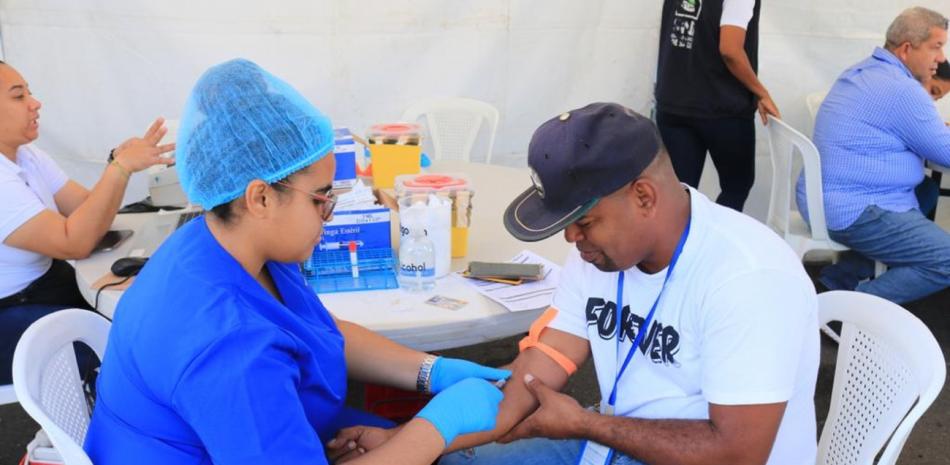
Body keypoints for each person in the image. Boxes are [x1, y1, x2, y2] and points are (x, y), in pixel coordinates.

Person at [329, 103, 819, 465]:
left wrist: (586, 423)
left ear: (643, 196)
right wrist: (411, 441)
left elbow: (736, 453)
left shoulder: (747, 277)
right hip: (614, 441)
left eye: (583, 220)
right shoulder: (600, 256)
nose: (570, 238)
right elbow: (532, 375)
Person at [83, 59, 509, 465]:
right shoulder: (227, 348)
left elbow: (316, 332)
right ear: (261, 197)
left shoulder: (228, 242)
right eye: (322, 199)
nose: (331, 215)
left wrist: (431, 371)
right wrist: (436, 427)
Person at [0, 59, 175, 385]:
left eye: (30, 93)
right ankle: (69, 428)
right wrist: (120, 169)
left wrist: (115, 165)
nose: (35, 103)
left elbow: (85, 208)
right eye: (18, 96)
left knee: (138, 319)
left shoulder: (28, 155)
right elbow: (74, 241)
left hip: (43, 283)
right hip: (8, 310)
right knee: (113, 346)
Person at [795, 6, 950, 304]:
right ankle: (849, 309)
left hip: (825, 196)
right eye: (936, 47)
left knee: (926, 191)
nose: (941, 58)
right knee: (946, 259)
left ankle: (839, 278)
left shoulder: (864, 70)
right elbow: (944, 152)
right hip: (855, 207)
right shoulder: (902, 89)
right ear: (907, 49)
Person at [655, 0, 780, 212]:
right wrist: (761, 92)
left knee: (680, 194)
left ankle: (685, 244)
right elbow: (730, 50)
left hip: (674, 100)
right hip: (722, 106)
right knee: (736, 186)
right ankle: (715, 243)